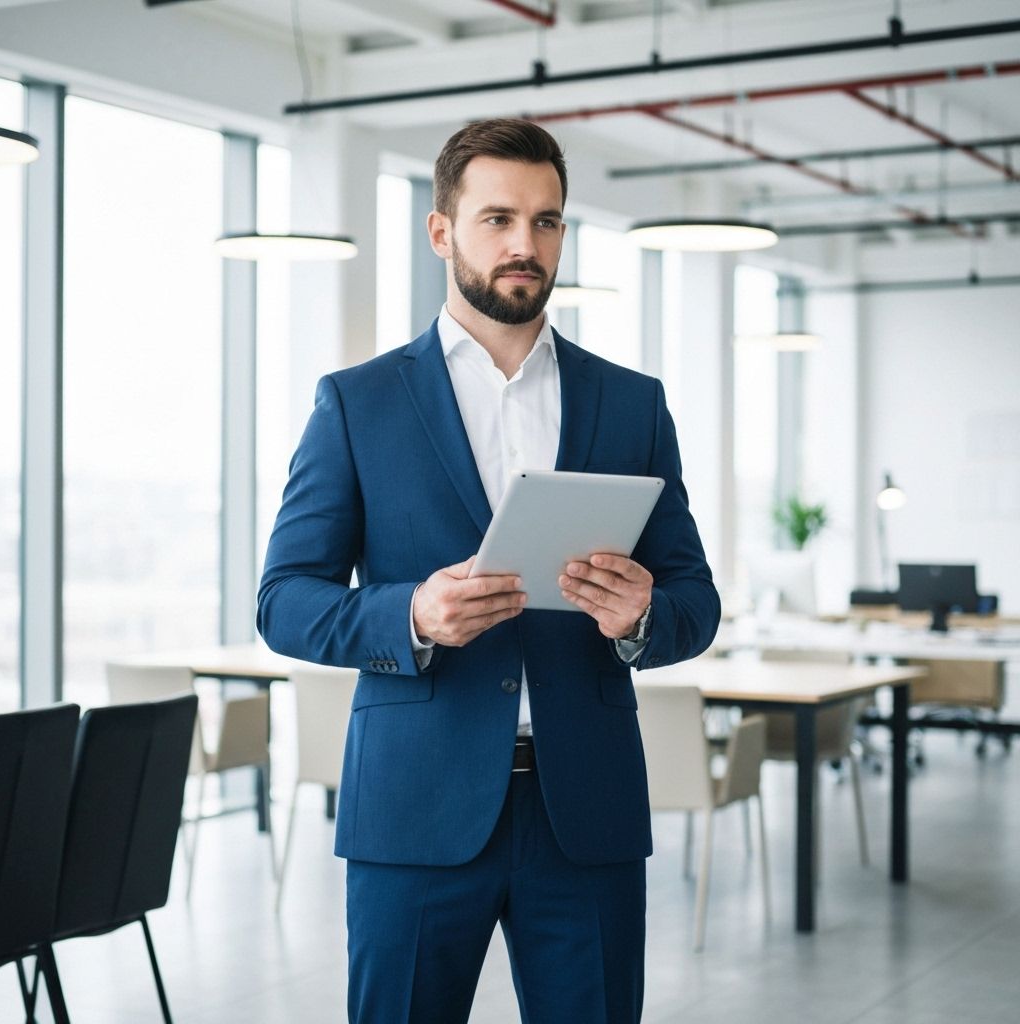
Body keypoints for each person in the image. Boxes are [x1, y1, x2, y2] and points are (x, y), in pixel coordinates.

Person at [257, 117, 720, 1024]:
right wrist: (413, 616)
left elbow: (695, 600)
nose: (525, 243)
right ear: (442, 232)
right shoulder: (358, 403)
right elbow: (284, 601)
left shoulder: (632, 403)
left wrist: (642, 617)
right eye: (498, 218)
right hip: (414, 811)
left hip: (583, 813)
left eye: (546, 222)